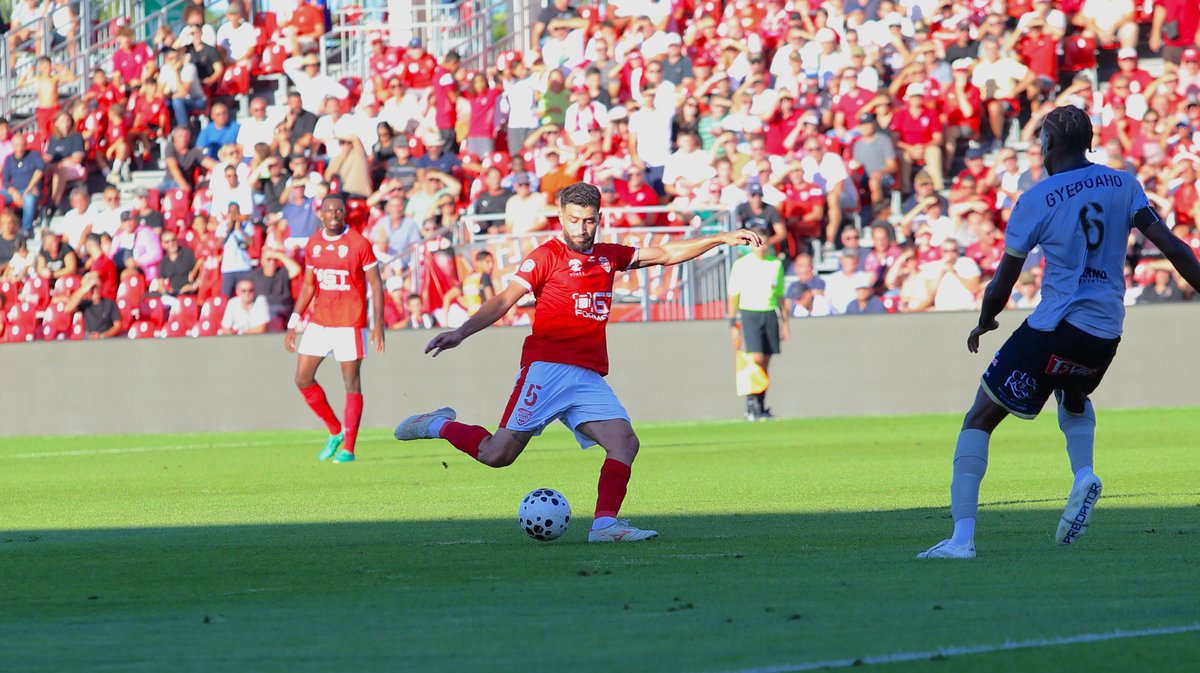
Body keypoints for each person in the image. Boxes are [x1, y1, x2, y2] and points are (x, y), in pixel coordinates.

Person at [392, 182, 760, 542]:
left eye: (589, 221)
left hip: (586, 376)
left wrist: (720, 239)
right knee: (496, 455)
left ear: (599, 218)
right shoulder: (545, 257)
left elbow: (664, 254)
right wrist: (461, 332)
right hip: (547, 368)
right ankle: (437, 425)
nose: (582, 229)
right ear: (560, 217)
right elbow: (505, 299)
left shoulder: (607, 256)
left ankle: (604, 525)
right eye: (574, 220)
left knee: (624, 442)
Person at [918, 106, 1200, 559]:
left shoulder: (1036, 198)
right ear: (1088, 143)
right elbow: (1172, 246)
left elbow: (1003, 282)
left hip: (1056, 324)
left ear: (1048, 144)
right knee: (1072, 395)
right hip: (1106, 330)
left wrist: (986, 320)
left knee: (979, 418)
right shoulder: (1123, 183)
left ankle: (961, 539)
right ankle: (1084, 473)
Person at [286, 197, 386, 464]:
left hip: (349, 324)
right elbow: (308, 285)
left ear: (344, 214)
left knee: (351, 383)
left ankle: (349, 449)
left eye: (339, 210)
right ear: (320, 214)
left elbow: (376, 284)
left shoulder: (358, 243)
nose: (334, 214)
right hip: (320, 321)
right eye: (329, 210)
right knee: (302, 379)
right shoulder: (314, 243)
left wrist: (377, 323)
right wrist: (294, 320)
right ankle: (334, 430)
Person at [726, 226, 788, 421]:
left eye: (764, 241)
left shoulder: (775, 264)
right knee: (755, 360)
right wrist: (732, 322)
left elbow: (780, 296)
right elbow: (733, 295)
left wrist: (785, 322)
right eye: (757, 242)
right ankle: (750, 405)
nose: (761, 246)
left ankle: (761, 406)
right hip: (750, 313)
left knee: (766, 362)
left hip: (769, 313)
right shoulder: (742, 265)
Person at [64, 273, 123, 339]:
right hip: (89, 336)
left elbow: (118, 325)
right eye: (92, 288)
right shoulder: (85, 304)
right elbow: (68, 308)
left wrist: (102, 335)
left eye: (96, 287)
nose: (95, 290)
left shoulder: (109, 303)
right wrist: (84, 288)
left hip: (106, 337)